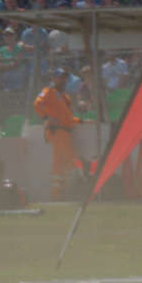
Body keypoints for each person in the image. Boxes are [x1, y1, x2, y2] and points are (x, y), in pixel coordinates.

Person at [33, 68, 84, 197]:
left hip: (65, 132)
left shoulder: (64, 96)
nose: (63, 80)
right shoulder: (48, 91)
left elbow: (68, 118)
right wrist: (47, 118)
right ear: (53, 79)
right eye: (60, 77)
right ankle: (75, 189)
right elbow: (37, 104)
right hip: (57, 132)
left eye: (64, 77)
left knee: (59, 163)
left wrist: (82, 121)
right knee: (69, 160)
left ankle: (58, 193)